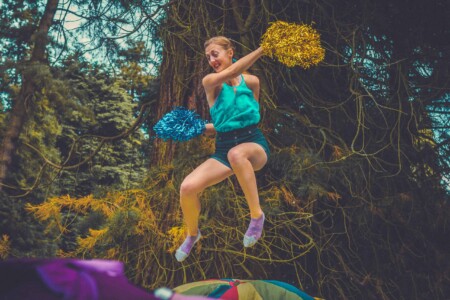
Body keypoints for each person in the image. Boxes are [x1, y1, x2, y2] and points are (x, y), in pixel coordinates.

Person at [175, 36, 270, 262]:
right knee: (187, 187)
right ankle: (192, 234)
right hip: (224, 147)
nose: (211, 60)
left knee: (237, 154)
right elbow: (223, 124)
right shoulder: (210, 81)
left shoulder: (253, 82)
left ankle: (257, 217)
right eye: (208, 57)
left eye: (215, 54)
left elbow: (247, 118)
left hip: (253, 143)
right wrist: (198, 128)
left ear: (230, 52)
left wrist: (261, 49)